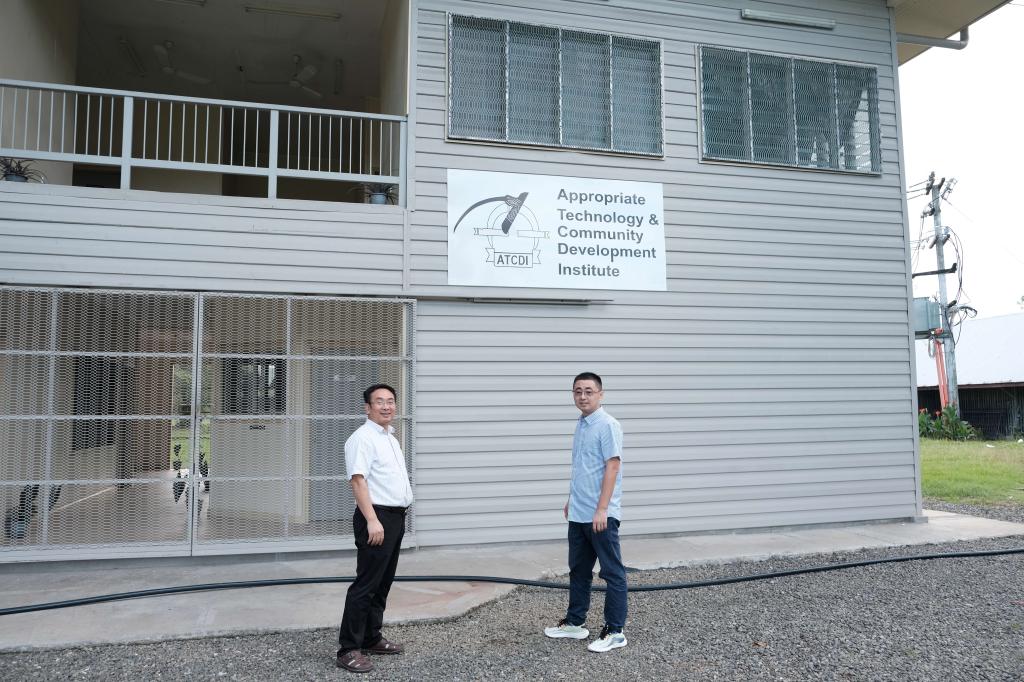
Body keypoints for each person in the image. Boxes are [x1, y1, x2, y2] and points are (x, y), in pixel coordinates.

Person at [544, 371, 628, 652]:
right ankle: (575, 623)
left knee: (612, 573)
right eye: (578, 391)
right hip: (579, 513)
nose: (583, 396)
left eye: (589, 391)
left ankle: (615, 631)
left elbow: (612, 466)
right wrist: (571, 499)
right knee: (579, 571)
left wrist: (602, 509)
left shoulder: (608, 425)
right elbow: (582, 467)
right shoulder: (582, 424)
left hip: (600, 516)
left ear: (600, 395)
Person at [336, 383, 415, 673]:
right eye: (379, 401)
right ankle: (348, 649)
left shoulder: (390, 438)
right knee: (366, 585)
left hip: (394, 518)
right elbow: (358, 481)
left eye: (390, 401)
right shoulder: (362, 438)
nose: (386, 406)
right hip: (376, 518)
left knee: (382, 583)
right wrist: (372, 520)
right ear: (367, 407)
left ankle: (371, 637)